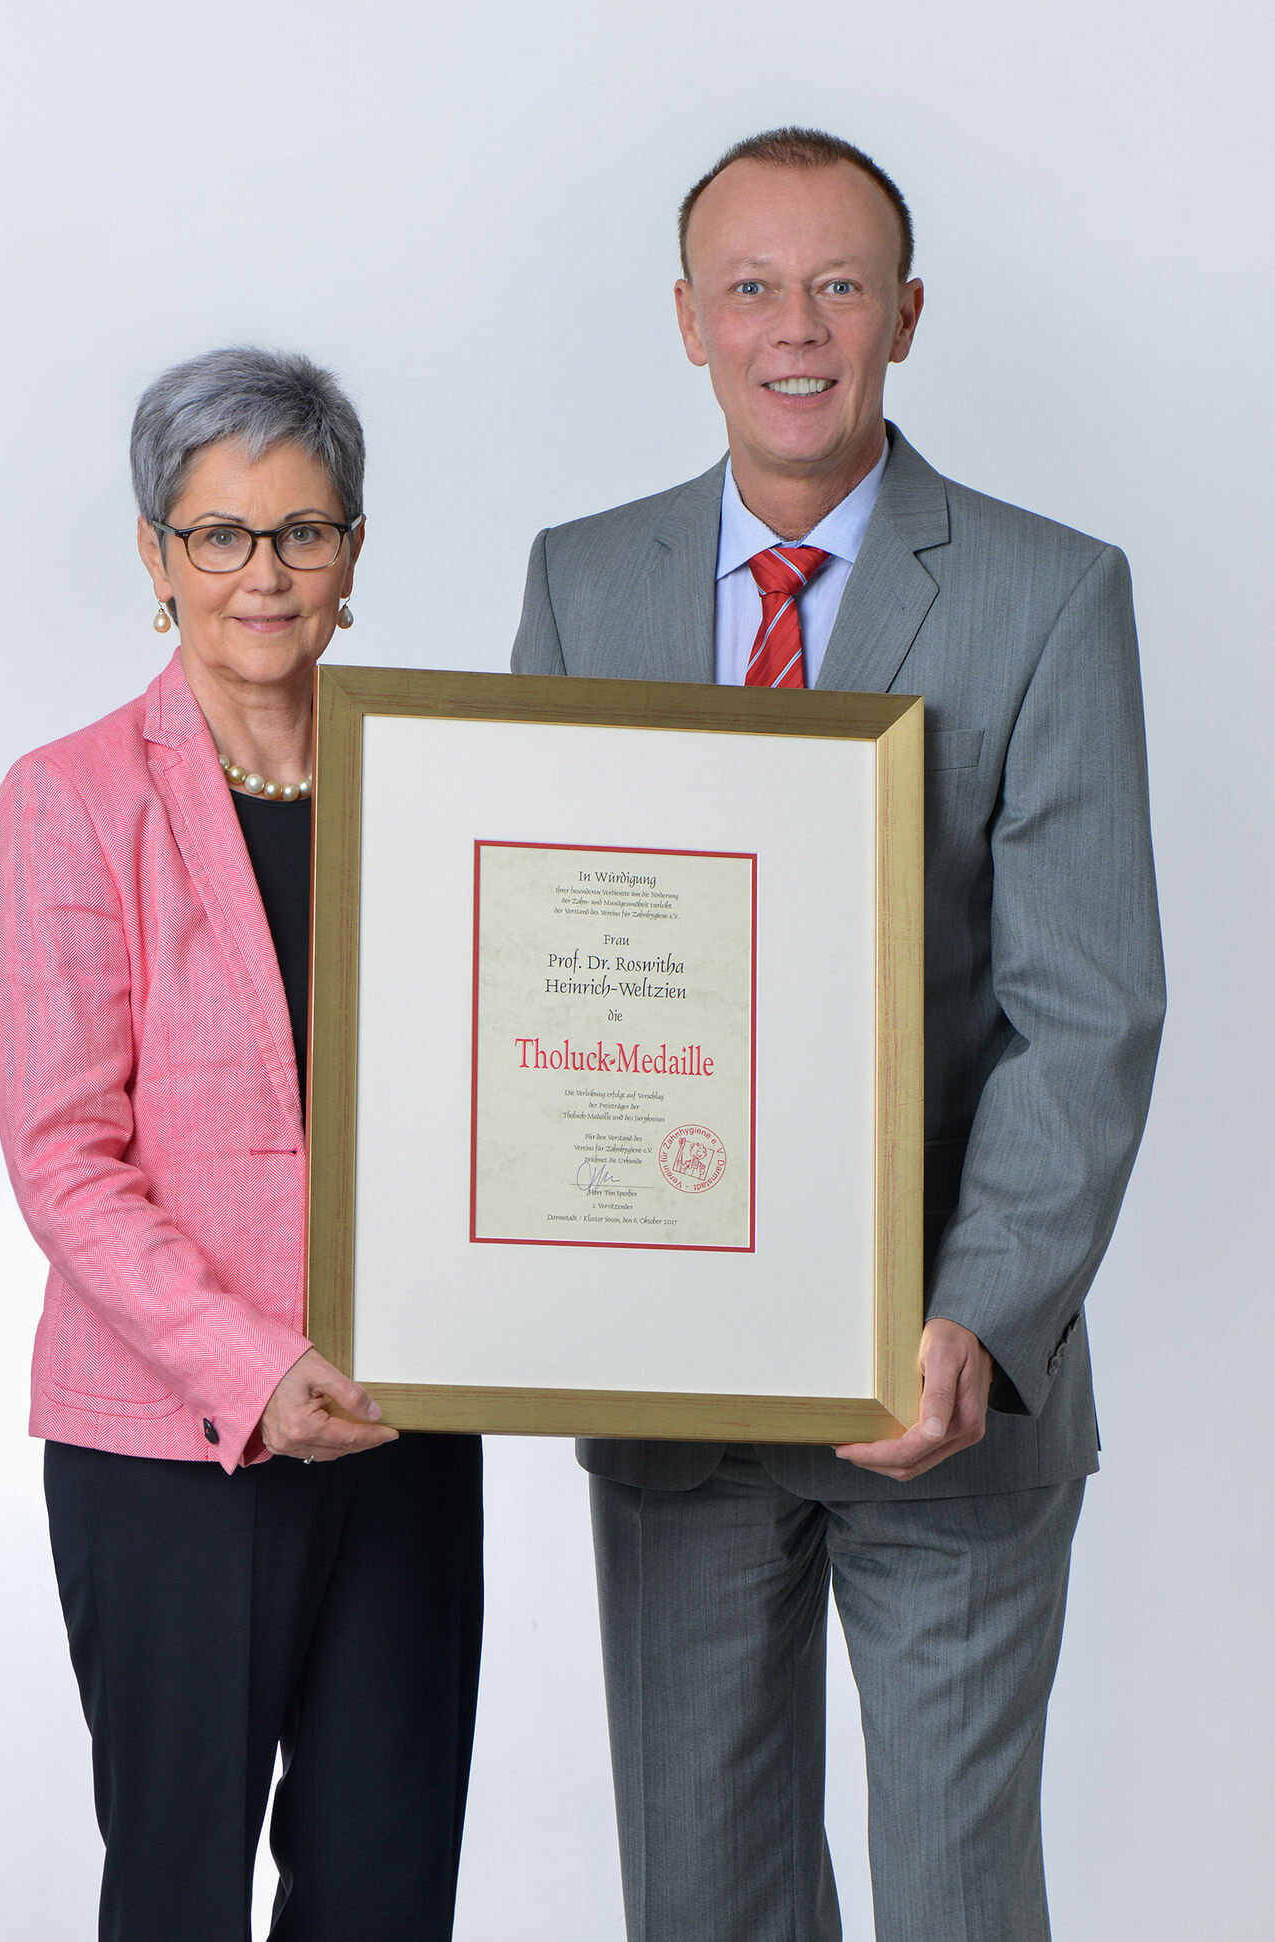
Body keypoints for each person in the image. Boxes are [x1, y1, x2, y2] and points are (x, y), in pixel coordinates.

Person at [511, 128, 1164, 1942]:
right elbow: (541, 978)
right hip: (670, 1393)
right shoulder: (583, 584)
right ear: (686, 321)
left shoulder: (1048, 593)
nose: (792, 327)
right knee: (702, 1905)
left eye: (837, 285)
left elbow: (1087, 1006)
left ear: (903, 315)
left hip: (937, 1386)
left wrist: (978, 1317)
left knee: (955, 1901)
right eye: (748, 286)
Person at [0, 345, 483, 1942]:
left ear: (354, 550)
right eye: (219, 533)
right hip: (170, 1446)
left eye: (303, 531)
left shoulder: (444, 784)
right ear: (156, 555)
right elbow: (64, 1155)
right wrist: (247, 1362)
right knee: (181, 1887)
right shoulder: (67, 801)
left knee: (384, 1883)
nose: (262, 574)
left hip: (405, 1418)